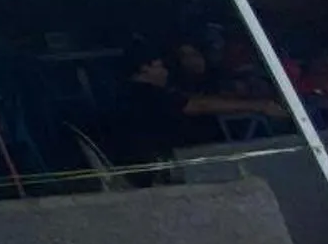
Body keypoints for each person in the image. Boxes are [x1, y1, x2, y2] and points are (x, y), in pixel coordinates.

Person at [110, 45, 284, 176]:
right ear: (145, 69)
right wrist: (260, 106)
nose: (165, 71)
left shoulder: (143, 93)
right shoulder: (145, 94)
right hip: (174, 166)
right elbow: (198, 105)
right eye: (160, 66)